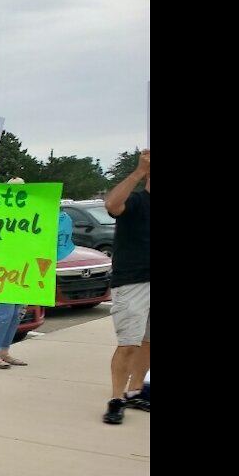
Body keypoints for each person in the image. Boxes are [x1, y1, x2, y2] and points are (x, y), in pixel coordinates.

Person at [0, 178, 75, 368]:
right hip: (3, 269)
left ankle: (4, 351)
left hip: (22, 270)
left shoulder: (31, 213)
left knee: (16, 313)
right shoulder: (1, 211)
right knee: (5, 314)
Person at [101, 149, 151, 424]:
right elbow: (112, 205)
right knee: (128, 344)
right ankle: (116, 398)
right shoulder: (136, 202)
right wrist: (138, 172)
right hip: (133, 281)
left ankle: (136, 391)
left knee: (147, 343)